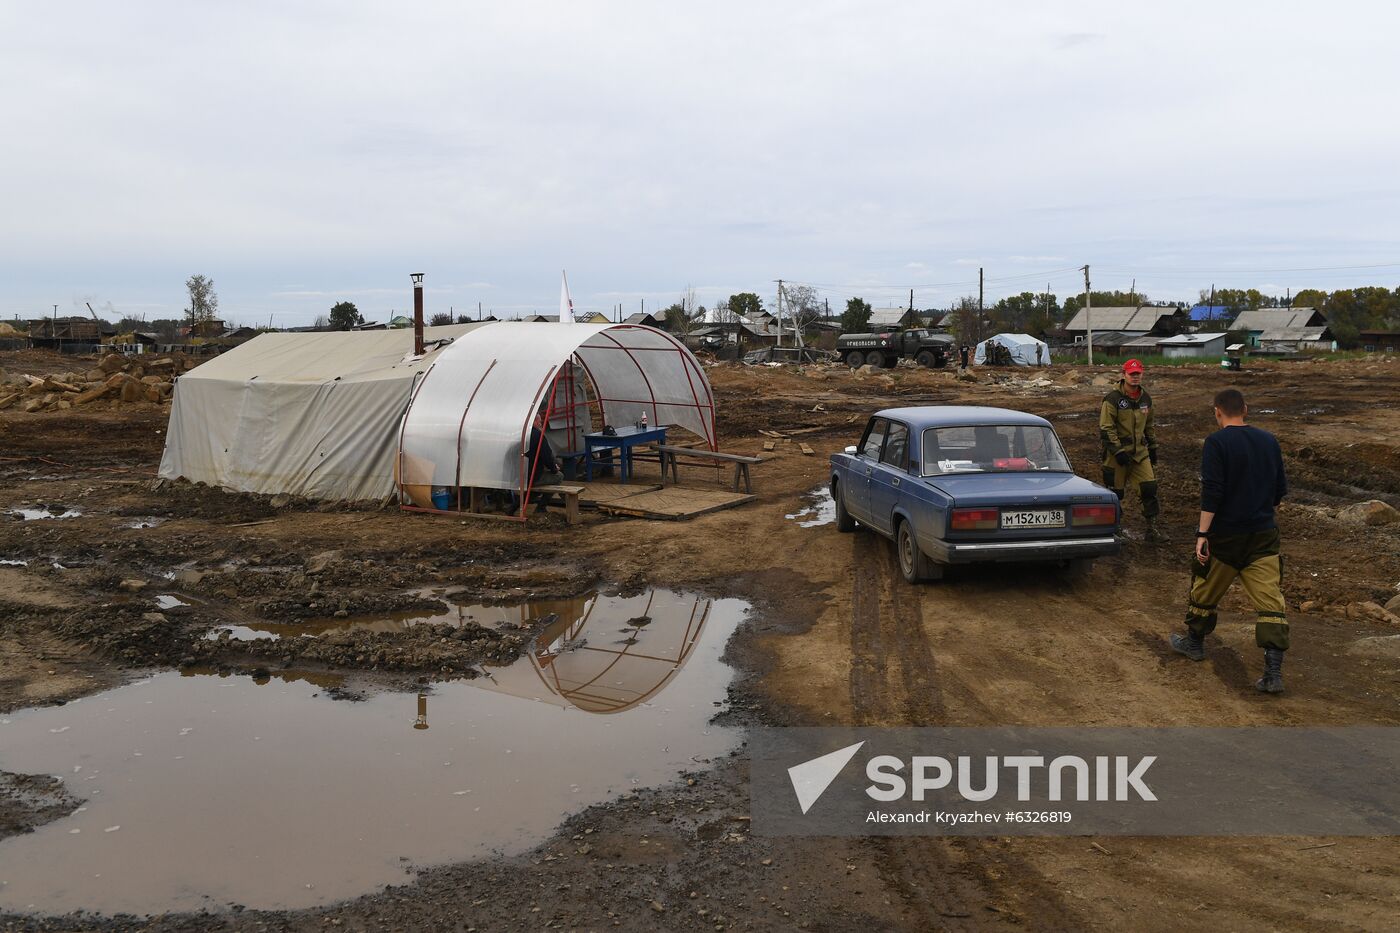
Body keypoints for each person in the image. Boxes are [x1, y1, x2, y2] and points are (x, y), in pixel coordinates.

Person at [1169, 388, 1289, 693]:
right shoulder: (1269, 441)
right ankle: (1273, 673)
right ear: (1245, 409)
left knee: (1204, 589)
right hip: (1263, 537)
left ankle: (1194, 643)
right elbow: (1279, 491)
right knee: (1271, 604)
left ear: (1217, 412)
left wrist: (1202, 534)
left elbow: (1213, 492)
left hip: (1225, 538)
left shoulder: (1216, 442)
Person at [1099, 358, 1165, 542]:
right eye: (1131, 374)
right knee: (1115, 493)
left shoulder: (1145, 399)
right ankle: (1115, 529)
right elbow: (1106, 428)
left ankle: (1152, 529)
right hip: (1116, 453)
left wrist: (1152, 447)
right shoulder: (1113, 399)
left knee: (1149, 487)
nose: (1135, 377)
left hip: (1139, 454)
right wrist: (1117, 451)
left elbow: (1149, 425)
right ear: (1124, 375)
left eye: (1138, 374)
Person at [527, 401, 564, 487]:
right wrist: (554, 469)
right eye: (539, 422)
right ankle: (542, 500)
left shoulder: (520, 433)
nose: (540, 425)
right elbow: (546, 456)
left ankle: (531, 497)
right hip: (532, 477)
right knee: (559, 476)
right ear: (535, 422)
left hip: (517, 476)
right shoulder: (538, 435)